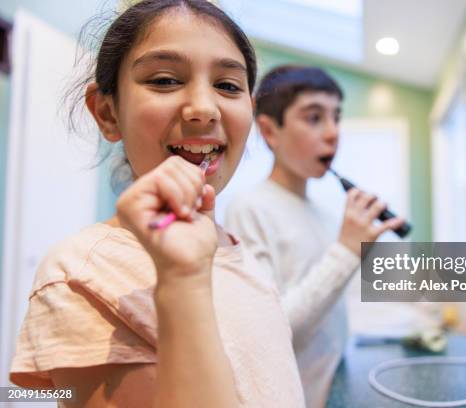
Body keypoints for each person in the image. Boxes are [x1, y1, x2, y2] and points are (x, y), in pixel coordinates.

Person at [9, 1, 305, 407]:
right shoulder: (81, 274)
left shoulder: (239, 253)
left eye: (228, 86)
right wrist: (181, 278)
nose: (204, 108)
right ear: (108, 113)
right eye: (165, 80)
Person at [224, 65, 405, 408]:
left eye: (336, 117)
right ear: (268, 131)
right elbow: (272, 333)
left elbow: (330, 306)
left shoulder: (322, 212)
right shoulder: (249, 209)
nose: (333, 133)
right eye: (314, 118)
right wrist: (347, 251)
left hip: (330, 388)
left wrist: (361, 252)